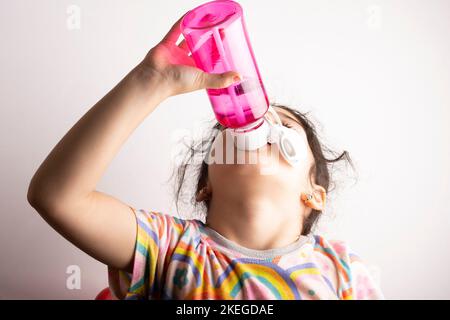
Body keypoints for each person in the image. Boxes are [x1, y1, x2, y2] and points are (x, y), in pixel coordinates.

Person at [27, 15, 384, 300]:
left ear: (314, 195)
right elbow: (57, 198)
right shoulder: (170, 248)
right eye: (230, 130)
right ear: (205, 187)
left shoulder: (342, 271)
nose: (260, 125)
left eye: (286, 125)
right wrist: (150, 82)